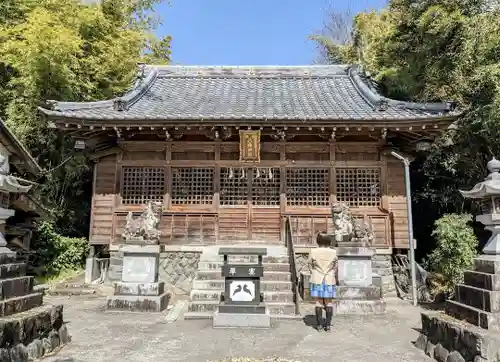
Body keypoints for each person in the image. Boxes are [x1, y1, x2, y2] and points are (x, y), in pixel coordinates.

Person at [308, 233, 338, 331]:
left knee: (319, 302)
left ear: (318, 240)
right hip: (329, 279)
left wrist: (314, 272)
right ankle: (328, 325)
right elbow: (335, 266)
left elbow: (310, 264)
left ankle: (319, 325)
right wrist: (331, 273)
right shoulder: (333, 252)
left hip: (317, 278)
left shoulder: (313, 251)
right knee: (329, 302)